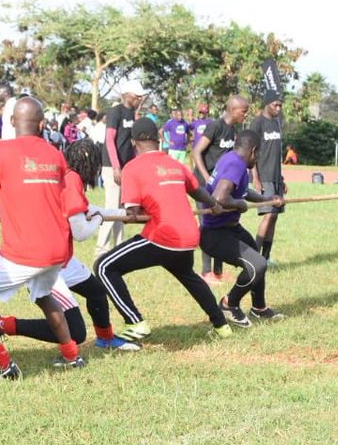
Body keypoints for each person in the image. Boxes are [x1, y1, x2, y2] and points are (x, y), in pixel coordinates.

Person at [0, 97, 86, 379]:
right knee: (44, 295)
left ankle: (1, 363)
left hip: (22, 253)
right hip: (56, 251)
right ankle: (72, 356)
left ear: (12, 122)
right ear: (42, 124)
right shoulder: (54, 154)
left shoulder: (0, 150)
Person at [0, 138, 141, 351]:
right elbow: (80, 232)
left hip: (62, 259)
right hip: (45, 263)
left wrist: (124, 214)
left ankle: (105, 338)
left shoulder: (69, 177)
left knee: (96, 292)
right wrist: (98, 219)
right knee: (75, 332)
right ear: (90, 164)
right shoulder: (72, 181)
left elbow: (87, 210)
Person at [94, 117, 235, 341]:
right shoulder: (175, 164)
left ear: (135, 142)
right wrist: (214, 205)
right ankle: (221, 325)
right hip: (188, 235)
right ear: (159, 139)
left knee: (103, 266)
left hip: (163, 236)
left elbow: (133, 212)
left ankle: (135, 322)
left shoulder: (132, 168)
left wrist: (124, 215)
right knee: (189, 276)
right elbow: (197, 191)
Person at [201, 129, 287, 327]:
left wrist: (267, 199)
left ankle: (259, 308)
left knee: (259, 260)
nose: (256, 161)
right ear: (253, 151)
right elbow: (220, 199)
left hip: (231, 228)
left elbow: (243, 190)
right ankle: (229, 303)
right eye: (257, 156)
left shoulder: (230, 158)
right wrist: (239, 204)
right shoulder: (236, 164)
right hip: (215, 234)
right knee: (257, 265)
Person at [191, 95, 249, 281]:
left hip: (220, 187)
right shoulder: (215, 126)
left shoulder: (233, 131)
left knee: (221, 224)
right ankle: (206, 271)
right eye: (244, 111)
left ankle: (218, 272)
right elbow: (196, 152)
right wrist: (207, 177)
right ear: (232, 109)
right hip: (204, 186)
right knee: (208, 225)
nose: (246, 115)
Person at [96, 81, 144, 259]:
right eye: (137, 97)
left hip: (126, 167)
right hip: (112, 166)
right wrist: (116, 166)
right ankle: (101, 249)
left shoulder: (132, 114)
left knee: (121, 209)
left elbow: (131, 144)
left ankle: (119, 247)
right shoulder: (115, 112)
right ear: (128, 95)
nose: (139, 100)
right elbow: (110, 140)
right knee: (111, 207)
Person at [248, 93, 286, 261]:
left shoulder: (277, 122)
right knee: (268, 214)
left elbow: (277, 154)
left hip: (276, 176)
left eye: (280, 106)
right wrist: (255, 177)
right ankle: (255, 258)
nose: (278, 108)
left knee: (275, 217)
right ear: (266, 104)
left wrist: (282, 178)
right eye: (275, 105)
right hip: (264, 176)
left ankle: (266, 257)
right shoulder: (257, 123)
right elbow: (251, 151)